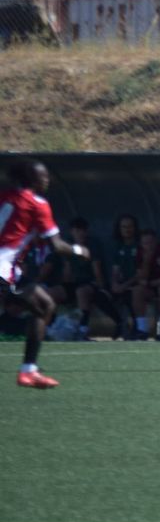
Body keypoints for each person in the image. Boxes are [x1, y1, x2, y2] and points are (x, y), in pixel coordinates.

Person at [0, 161, 92, 388]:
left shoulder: (5, 196)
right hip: (3, 268)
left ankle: (29, 371)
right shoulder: (37, 204)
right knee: (44, 306)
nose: (47, 180)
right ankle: (28, 370)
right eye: (44, 177)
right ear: (32, 180)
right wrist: (79, 250)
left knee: (44, 304)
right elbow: (57, 245)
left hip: (10, 269)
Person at [56, 217, 115, 340]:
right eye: (76, 230)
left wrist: (103, 288)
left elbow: (97, 270)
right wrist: (64, 287)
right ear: (72, 232)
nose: (80, 233)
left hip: (90, 283)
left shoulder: (92, 245)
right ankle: (48, 328)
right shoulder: (68, 246)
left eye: (82, 230)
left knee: (81, 292)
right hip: (74, 283)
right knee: (51, 292)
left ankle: (82, 330)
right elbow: (67, 270)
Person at [106, 213, 143, 340]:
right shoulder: (117, 246)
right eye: (124, 227)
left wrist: (124, 286)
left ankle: (136, 328)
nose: (127, 230)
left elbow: (141, 273)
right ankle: (119, 324)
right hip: (122, 285)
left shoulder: (140, 245)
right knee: (102, 295)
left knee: (130, 295)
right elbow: (115, 269)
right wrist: (115, 283)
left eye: (130, 226)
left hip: (136, 284)